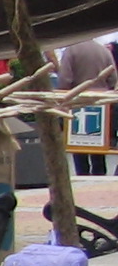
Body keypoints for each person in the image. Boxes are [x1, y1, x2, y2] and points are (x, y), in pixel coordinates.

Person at [54, 38, 117, 176]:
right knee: (98, 144)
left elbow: (65, 79)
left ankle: (82, 173)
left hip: (76, 101)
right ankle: (99, 174)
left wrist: (62, 98)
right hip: (100, 102)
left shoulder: (71, 50)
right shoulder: (104, 51)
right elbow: (113, 79)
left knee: (77, 144)